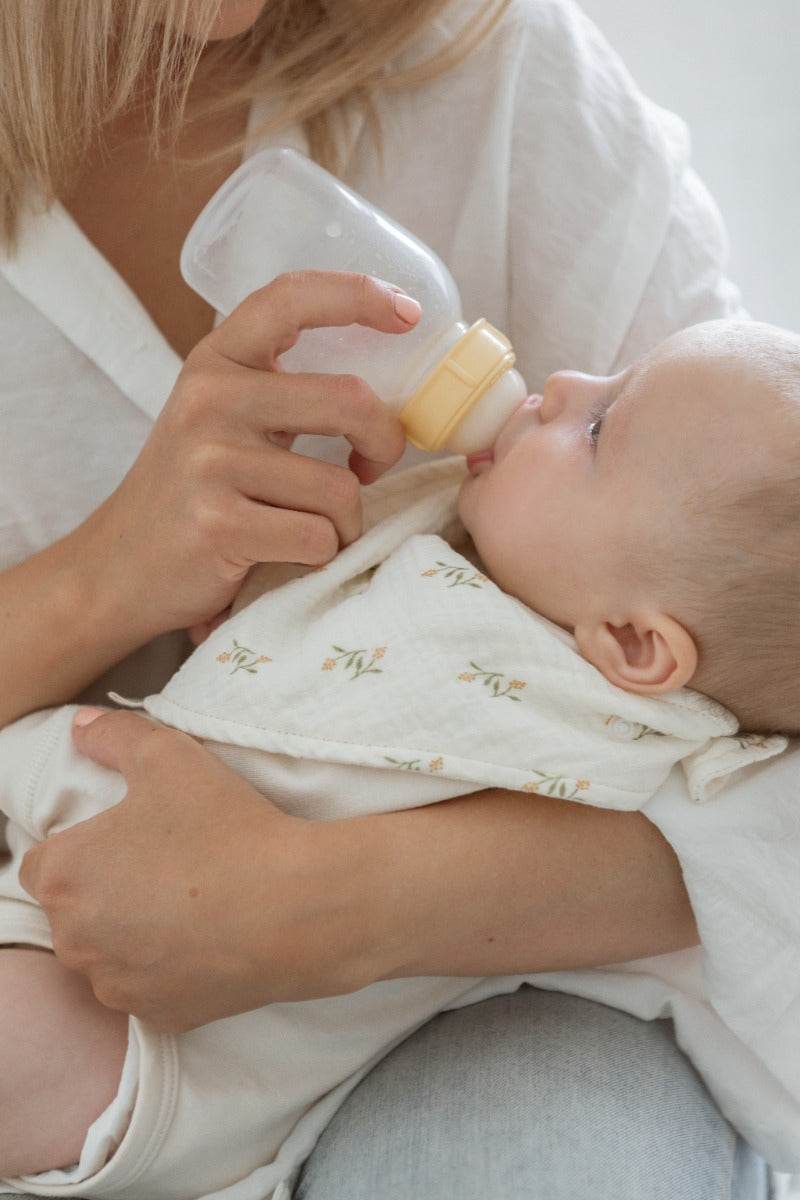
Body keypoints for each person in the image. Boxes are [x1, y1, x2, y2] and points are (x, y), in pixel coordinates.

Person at [0, 0, 790, 1196]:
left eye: (598, 420)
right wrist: (104, 577)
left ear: (635, 646)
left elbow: (768, 717)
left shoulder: (495, 70)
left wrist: (345, 902)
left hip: (473, 1003)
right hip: (65, 917)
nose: (558, 382)